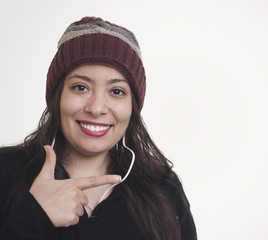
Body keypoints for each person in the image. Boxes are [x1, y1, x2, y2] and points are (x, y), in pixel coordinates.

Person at [0, 17, 196, 240]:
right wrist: (33, 216)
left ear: (133, 107)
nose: (96, 108)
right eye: (80, 87)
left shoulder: (164, 189)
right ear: (58, 97)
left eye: (117, 91)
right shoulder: (6, 172)